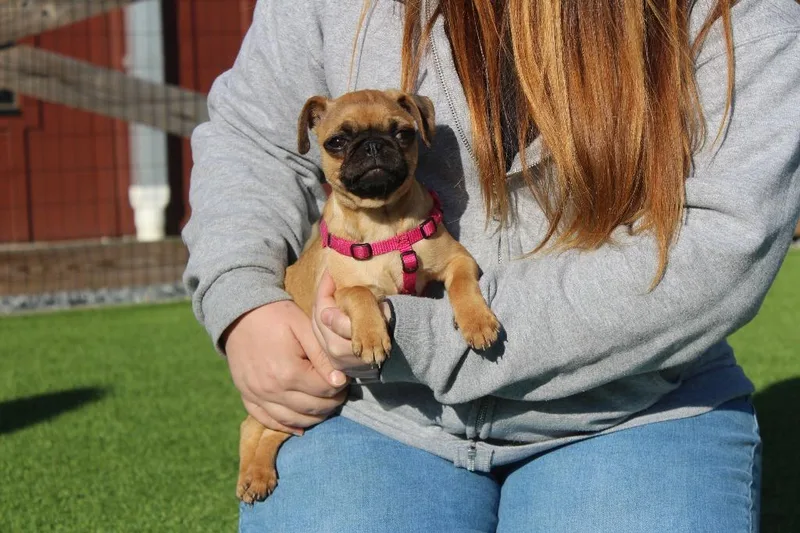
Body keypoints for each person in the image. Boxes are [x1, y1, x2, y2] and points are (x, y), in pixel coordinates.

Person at [182, 0, 800, 531]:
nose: (372, 150)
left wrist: (422, 336)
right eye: (345, 142)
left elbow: (725, 238)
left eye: (397, 135)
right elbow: (253, 138)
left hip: (631, 403)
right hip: (372, 407)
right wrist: (244, 301)